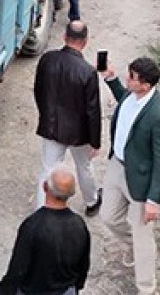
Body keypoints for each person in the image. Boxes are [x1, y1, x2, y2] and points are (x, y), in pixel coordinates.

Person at [98, 56, 160, 295]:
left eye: (132, 78)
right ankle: (133, 247)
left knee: (143, 235)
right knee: (109, 216)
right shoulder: (131, 95)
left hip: (140, 178)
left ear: (146, 86)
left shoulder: (158, 115)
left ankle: (146, 288)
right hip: (117, 166)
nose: (127, 80)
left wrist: (154, 199)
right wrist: (110, 78)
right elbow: (123, 98)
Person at [33, 20, 102, 210]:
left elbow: (38, 90)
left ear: (64, 36)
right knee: (84, 167)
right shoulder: (88, 72)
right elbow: (93, 111)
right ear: (85, 41)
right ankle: (92, 200)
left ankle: (42, 209)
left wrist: (45, 115)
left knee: (48, 170)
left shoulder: (47, 59)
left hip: (52, 125)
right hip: (79, 132)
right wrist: (95, 141)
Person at [0, 166, 92, 295]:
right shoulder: (79, 225)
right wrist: (77, 286)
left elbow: (18, 269)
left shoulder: (33, 225)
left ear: (45, 187)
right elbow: (83, 264)